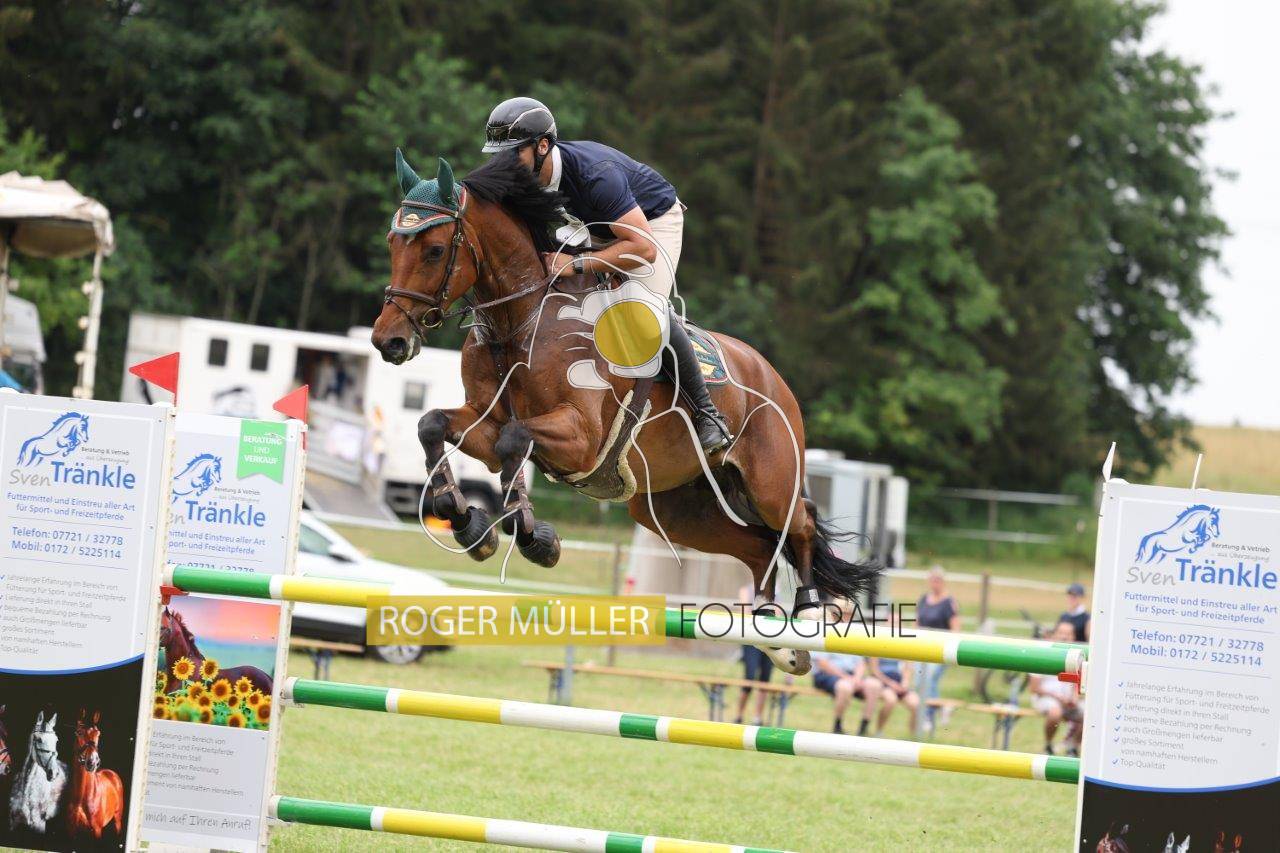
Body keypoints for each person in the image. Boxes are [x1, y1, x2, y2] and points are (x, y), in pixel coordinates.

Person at [480, 96, 731, 455]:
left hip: (649, 226)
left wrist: (577, 264)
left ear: (542, 146)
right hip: (591, 226)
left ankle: (708, 415)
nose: (502, 164)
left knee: (643, 310)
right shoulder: (524, 175)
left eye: (511, 153)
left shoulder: (596, 174)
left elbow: (642, 248)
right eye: (498, 155)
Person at [916, 565, 961, 734]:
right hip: (923, 648)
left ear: (942, 581)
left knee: (929, 680)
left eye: (937, 580)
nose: (934, 583)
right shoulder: (923, 599)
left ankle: (928, 716)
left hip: (941, 649)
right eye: (932, 580)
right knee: (920, 682)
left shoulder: (949, 603)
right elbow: (917, 623)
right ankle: (939, 709)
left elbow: (955, 628)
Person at [1030, 621, 1084, 755]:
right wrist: (1058, 697)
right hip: (1046, 697)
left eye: (1068, 634)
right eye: (1061, 633)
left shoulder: (1077, 658)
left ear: (1073, 637)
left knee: (1090, 714)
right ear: (1053, 635)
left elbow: (1077, 685)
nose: (1064, 637)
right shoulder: (1042, 655)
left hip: (1067, 700)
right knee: (1055, 712)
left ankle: (1073, 747)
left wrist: (1074, 698)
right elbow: (1034, 688)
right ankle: (1048, 745)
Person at [812, 651, 880, 735]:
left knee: (874, 685)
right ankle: (837, 726)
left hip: (852, 676)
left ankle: (863, 728)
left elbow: (861, 663)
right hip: (827, 674)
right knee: (845, 687)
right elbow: (823, 664)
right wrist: (846, 677)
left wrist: (857, 679)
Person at [734, 584, 773, 725]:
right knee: (749, 677)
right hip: (751, 639)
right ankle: (739, 715)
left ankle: (757, 717)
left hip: (768, 638)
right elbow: (744, 612)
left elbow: (778, 613)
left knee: (765, 679)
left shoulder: (775, 591)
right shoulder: (746, 590)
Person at [868, 655, 920, 736]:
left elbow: (908, 667)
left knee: (916, 703)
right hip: (882, 682)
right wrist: (890, 684)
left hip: (898, 682)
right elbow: (875, 671)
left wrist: (904, 683)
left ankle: (913, 735)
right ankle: (879, 731)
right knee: (891, 700)